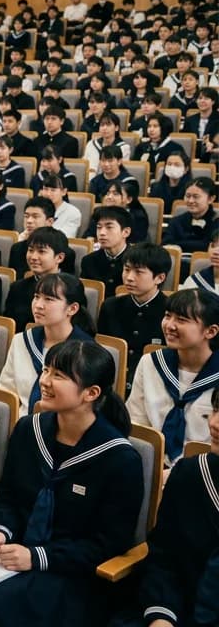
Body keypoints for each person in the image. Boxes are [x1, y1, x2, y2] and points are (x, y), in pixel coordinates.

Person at [0, 340, 143, 627]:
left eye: (58, 376)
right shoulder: (29, 430)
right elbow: (9, 498)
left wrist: (38, 557)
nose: (45, 381)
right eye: (46, 370)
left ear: (91, 393)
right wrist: (0, 531)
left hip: (71, 573)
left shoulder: (119, 459)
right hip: (15, 553)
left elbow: (108, 543)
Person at [130, 388, 219, 627]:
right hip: (179, 614)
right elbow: (164, 558)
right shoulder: (190, 475)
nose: (214, 423)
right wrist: (162, 615)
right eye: (215, 410)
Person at [127, 288, 219, 469]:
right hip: (151, 465)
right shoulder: (150, 363)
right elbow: (136, 422)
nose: (169, 325)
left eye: (182, 320)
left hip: (205, 471)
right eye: (168, 316)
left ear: (211, 331)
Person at [0, 273, 98, 416]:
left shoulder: (86, 352)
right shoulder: (22, 340)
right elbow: (6, 393)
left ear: (72, 308)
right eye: (36, 297)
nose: (38, 305)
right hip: (22, 424)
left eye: (49, 299)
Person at [97, 242, 172, 390]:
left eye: (138, 272)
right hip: (111, 381)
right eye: (126, 270)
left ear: (160, 278)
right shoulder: (110, 306)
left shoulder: (170, 312)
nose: (129, 277)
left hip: (153, 384)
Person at [3, 227, 69, 330]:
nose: (33, 257)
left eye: (41, 252)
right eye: (30, 250)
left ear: (59, 257)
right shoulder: (18, 287)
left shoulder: (70, 288)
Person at [80, 205, 132, 298]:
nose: (102, 233)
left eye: (109, 227)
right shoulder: (89, 261)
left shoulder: (138, 261)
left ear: (126, 232)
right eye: (99, 227)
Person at [166, 178, 219, 255]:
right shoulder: (176, 221)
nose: (190, 201)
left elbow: (213, 248)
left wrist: (180, 244)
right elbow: (167, 246)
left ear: (211, 199)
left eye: (196, 196)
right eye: (187, 196)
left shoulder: (216, 222)